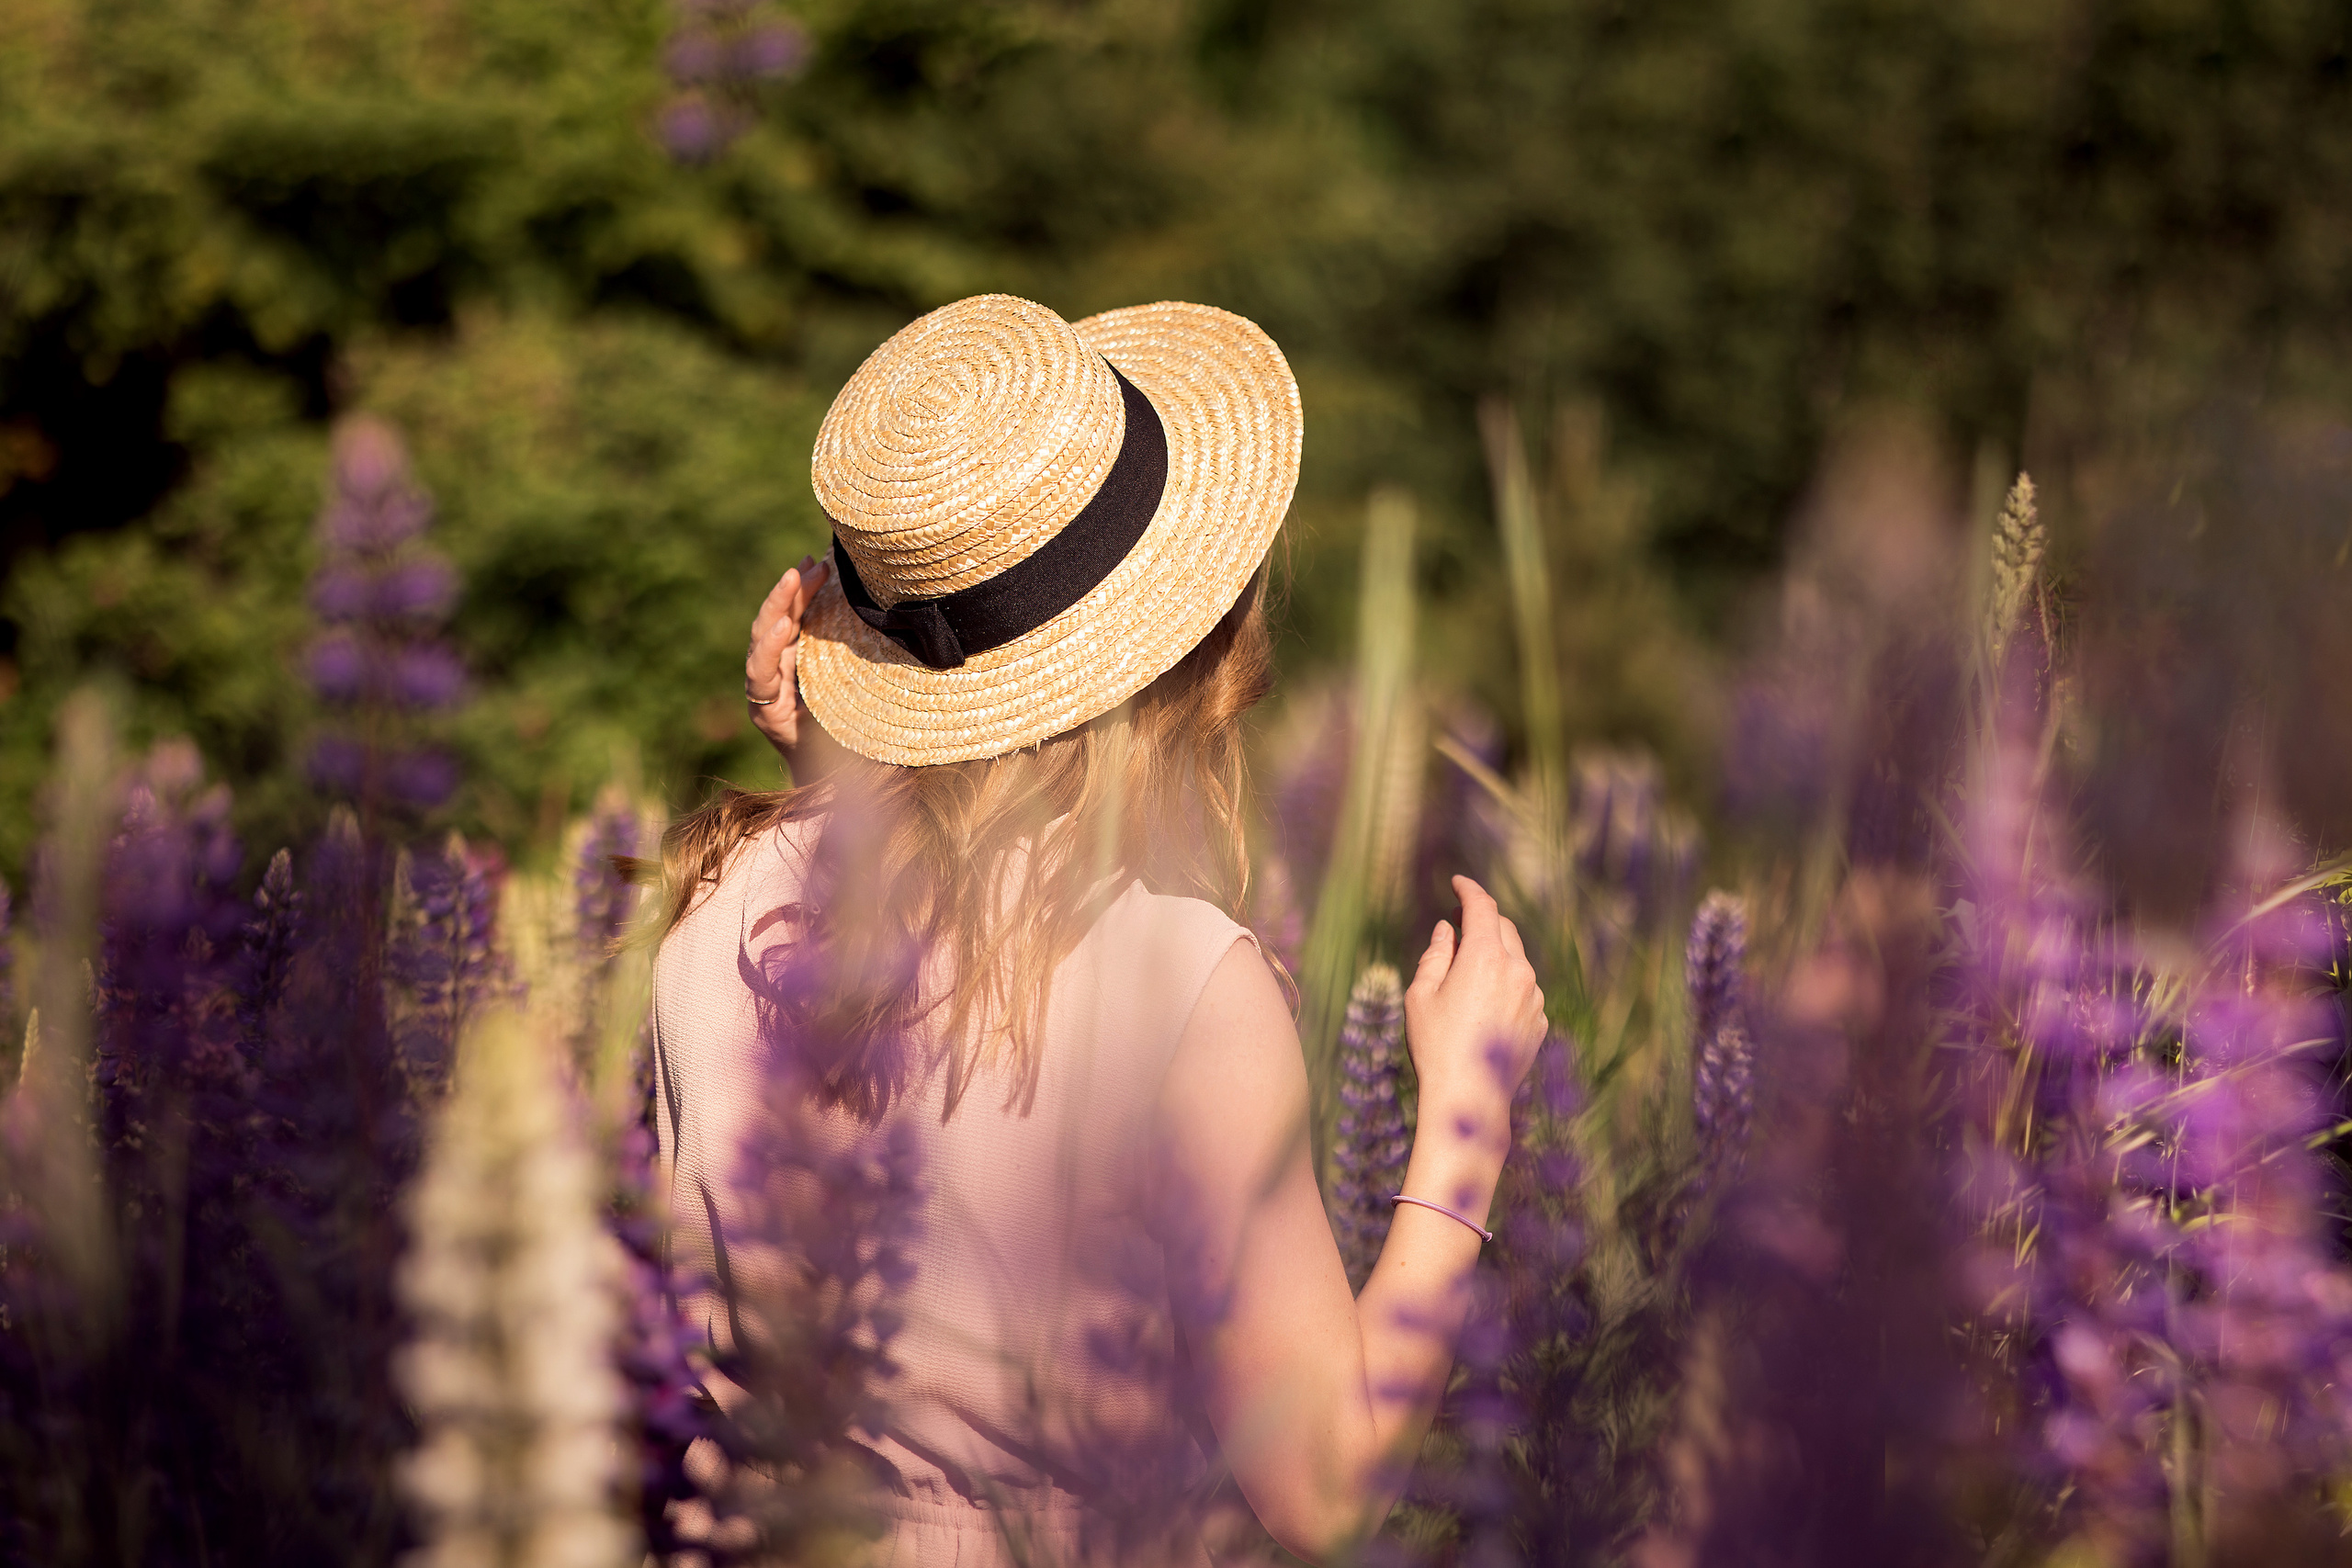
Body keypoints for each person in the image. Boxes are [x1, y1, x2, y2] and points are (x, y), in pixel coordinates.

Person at [650, 294, 1545, 1567]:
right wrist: (1467, 1116)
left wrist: (837, 776)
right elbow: (1325, 1489)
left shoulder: (714, 905)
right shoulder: (1185, 990)